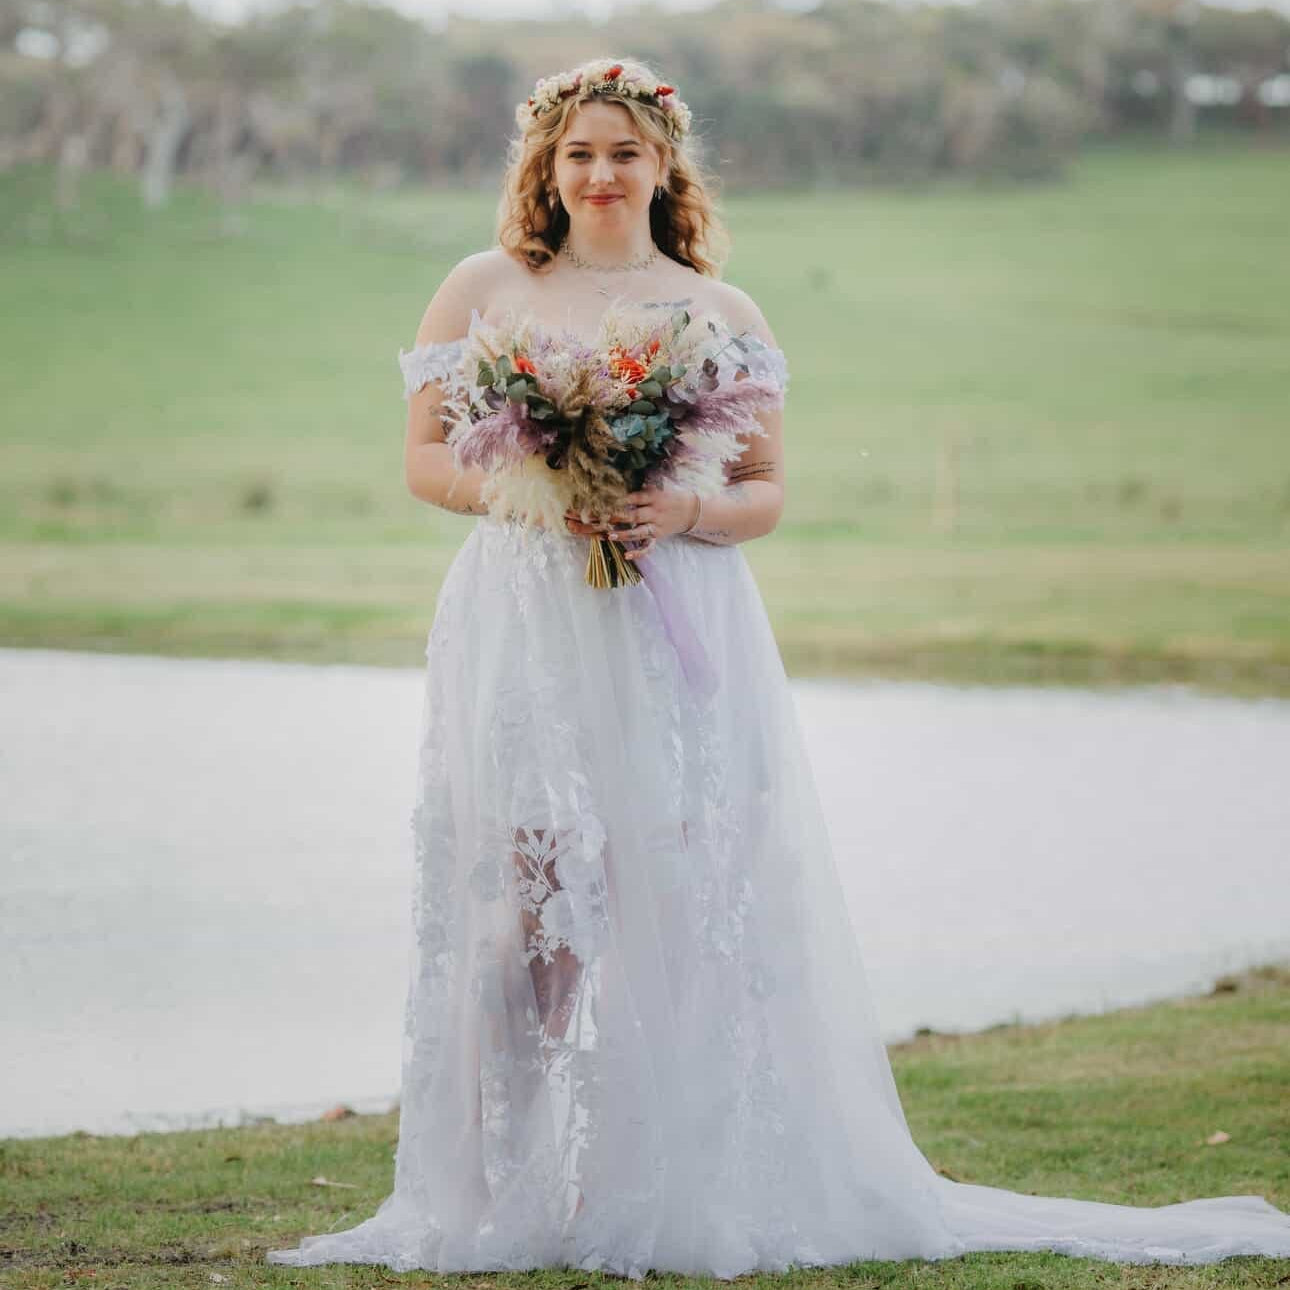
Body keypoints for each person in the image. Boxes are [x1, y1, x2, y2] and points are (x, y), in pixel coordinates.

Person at [267, 57, 1290, 1278]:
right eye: (578, 154)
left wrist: (674, 515)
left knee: (680, 905)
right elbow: (428, 464)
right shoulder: (485, 287)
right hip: (528, 627)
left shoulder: (722, 310)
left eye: (623, 153)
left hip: (672, 627)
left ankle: (675, 1190)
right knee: (519, 924)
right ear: (544, 165)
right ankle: (492, 1198)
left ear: (662, 167)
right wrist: (543, 494)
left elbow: (762, 491)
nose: (600, 174)